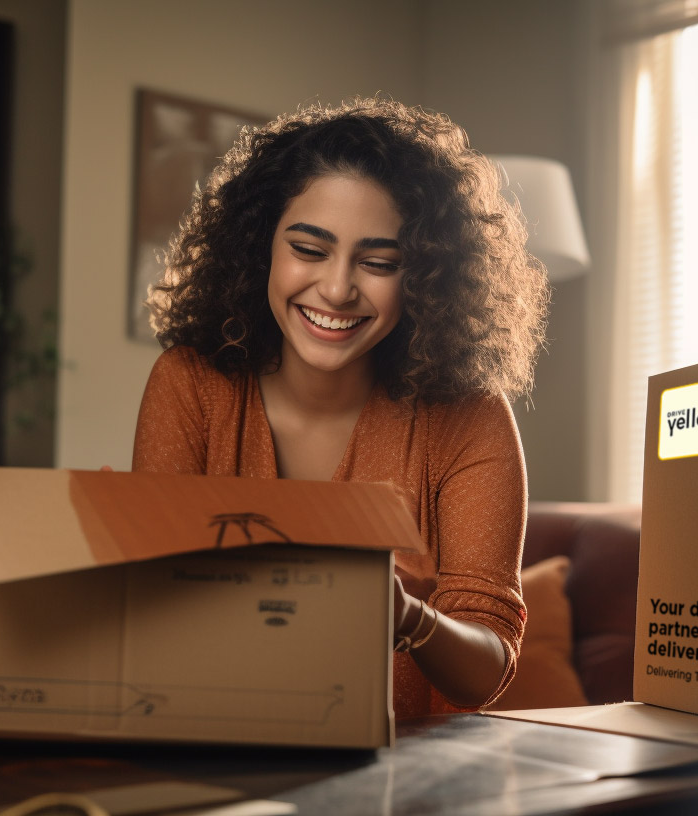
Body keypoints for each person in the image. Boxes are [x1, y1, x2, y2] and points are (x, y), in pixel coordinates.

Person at [132, 96, 550, 718]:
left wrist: (405, 615)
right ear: (260, 250)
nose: (336, 288)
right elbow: (145, 613)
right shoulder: (190, 385)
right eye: (308, 248)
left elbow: (486, 672)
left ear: (424, 276)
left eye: (378, 262)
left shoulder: (470, 418)